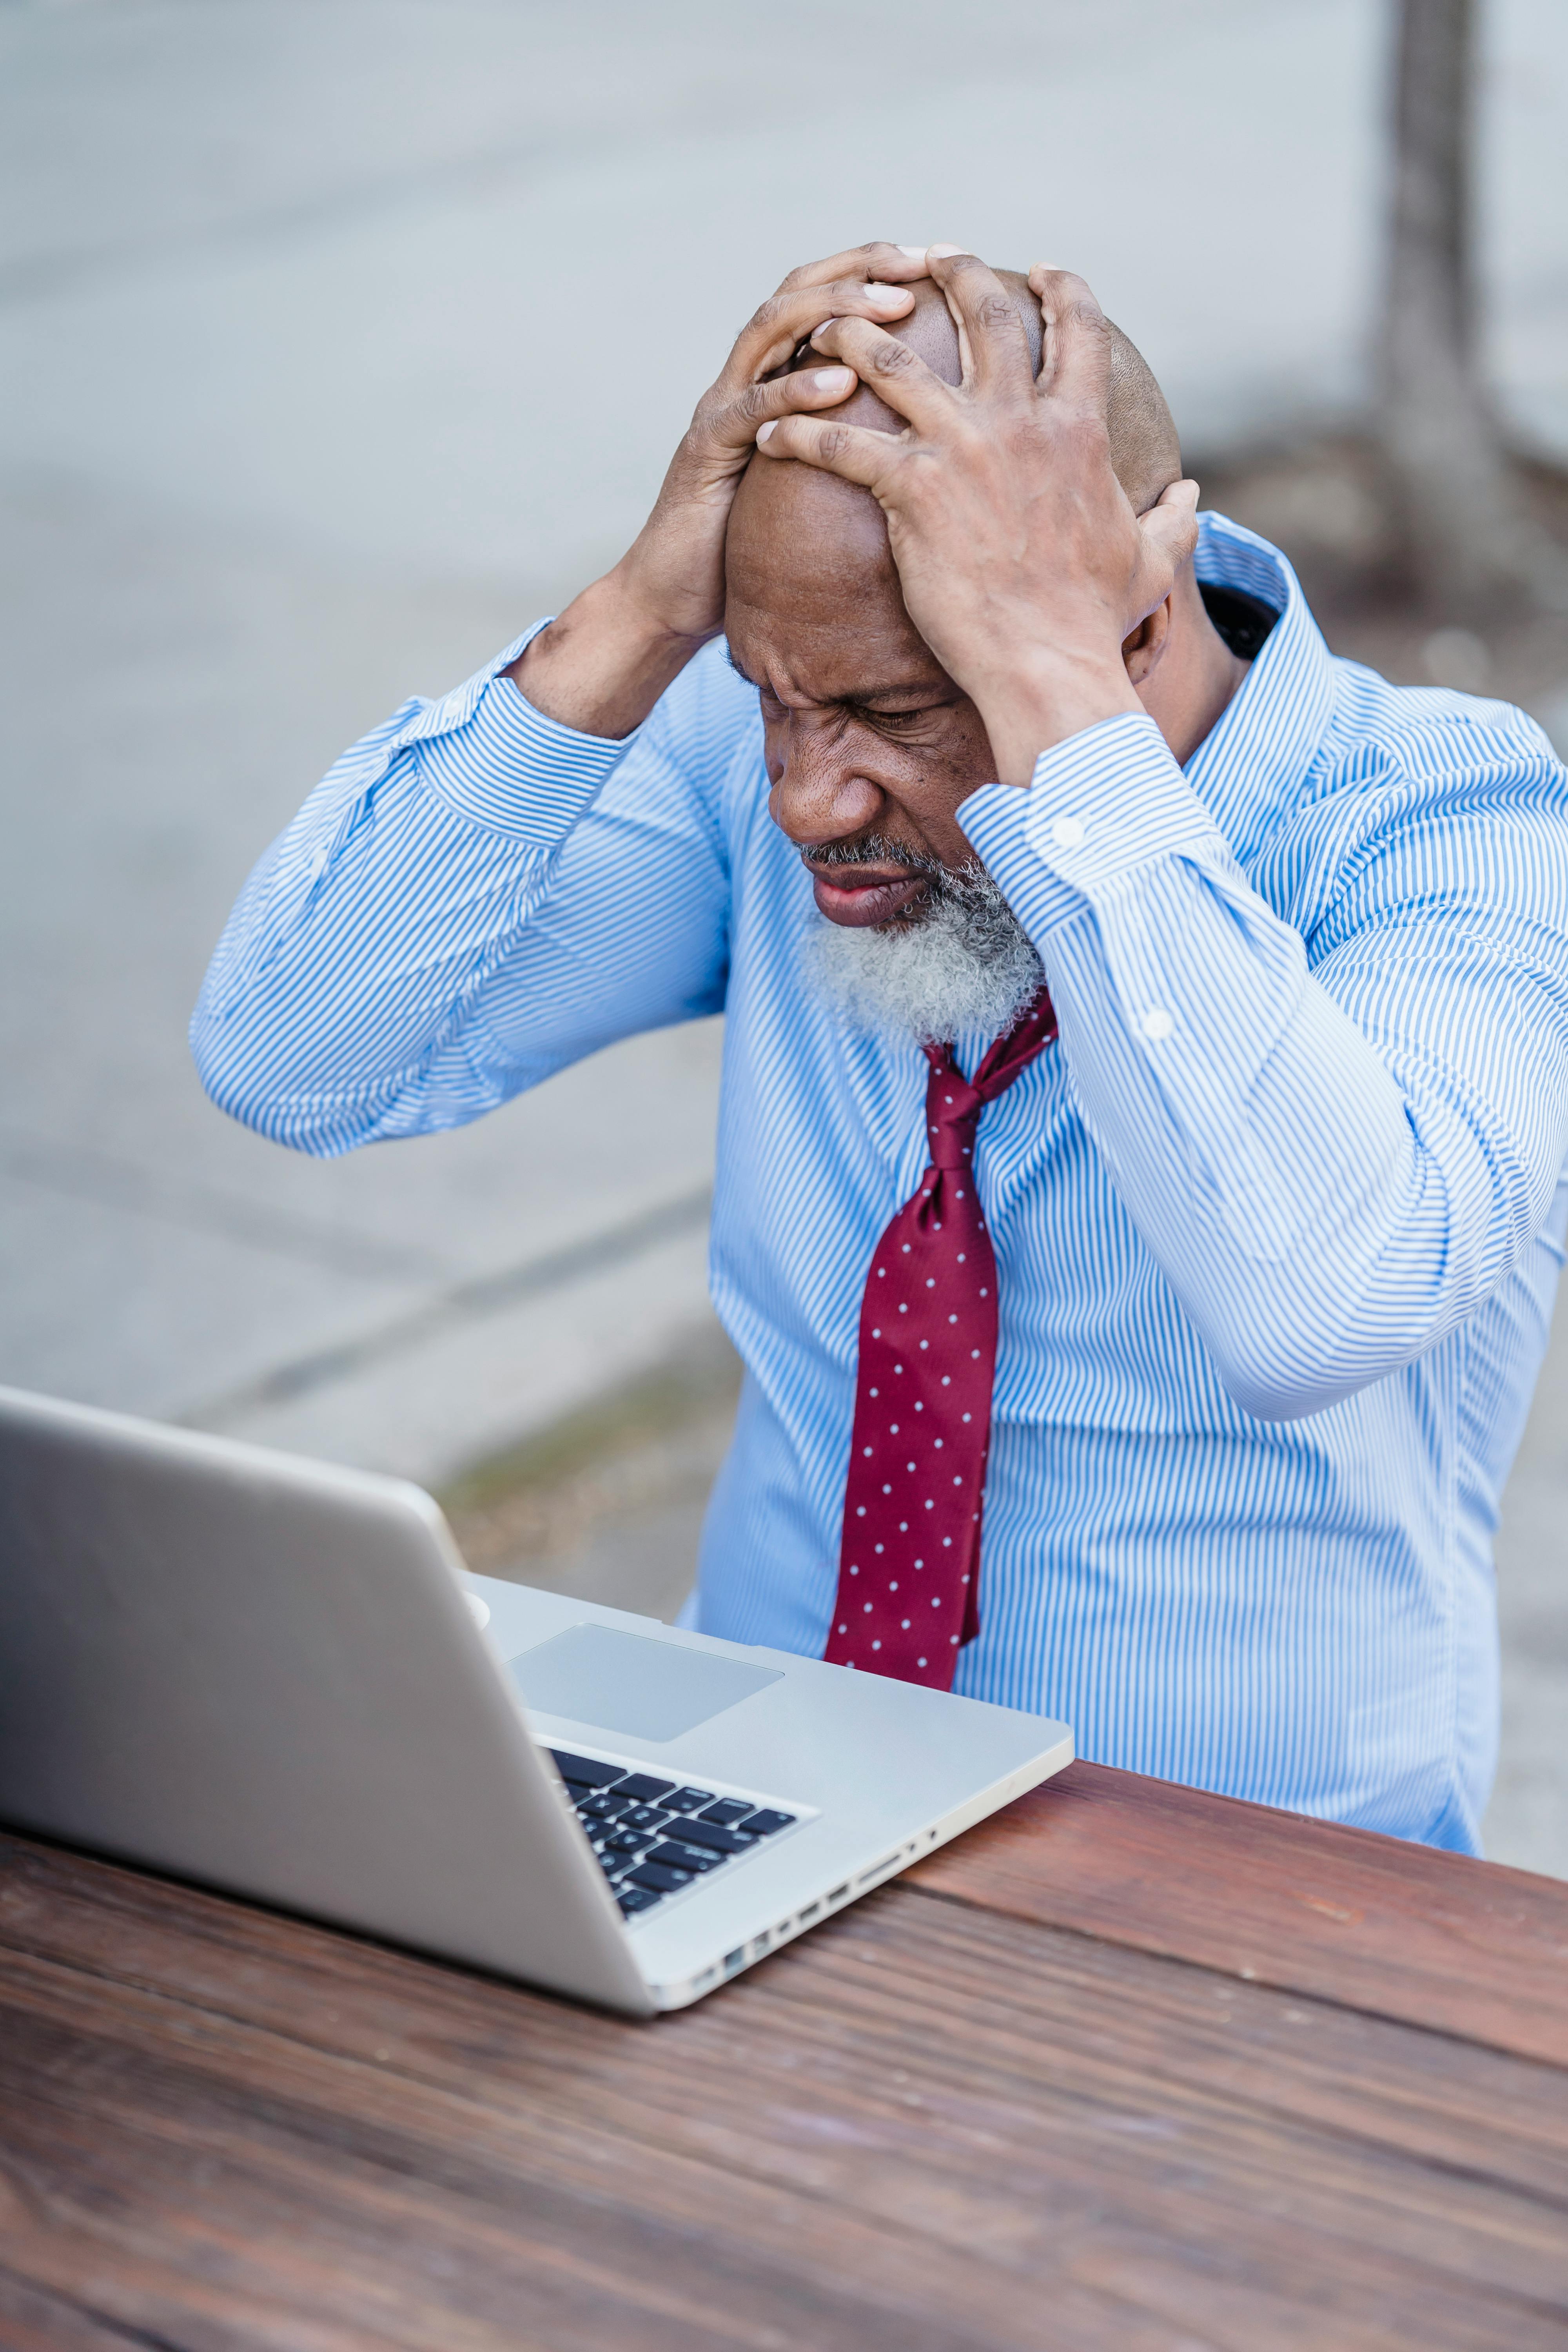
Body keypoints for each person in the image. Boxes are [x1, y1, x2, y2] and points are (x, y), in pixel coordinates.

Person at [192, 243, 1568, 1853]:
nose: (803, 800)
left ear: (1136, 624)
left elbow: (1318, 1297)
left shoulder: (1457, 823)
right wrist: (638, 617)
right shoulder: (775, 740)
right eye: (775, 699)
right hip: (756, 1788)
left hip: (1244, 1877)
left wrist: (1062, 725)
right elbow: (298, 1055)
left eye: (902, 717)